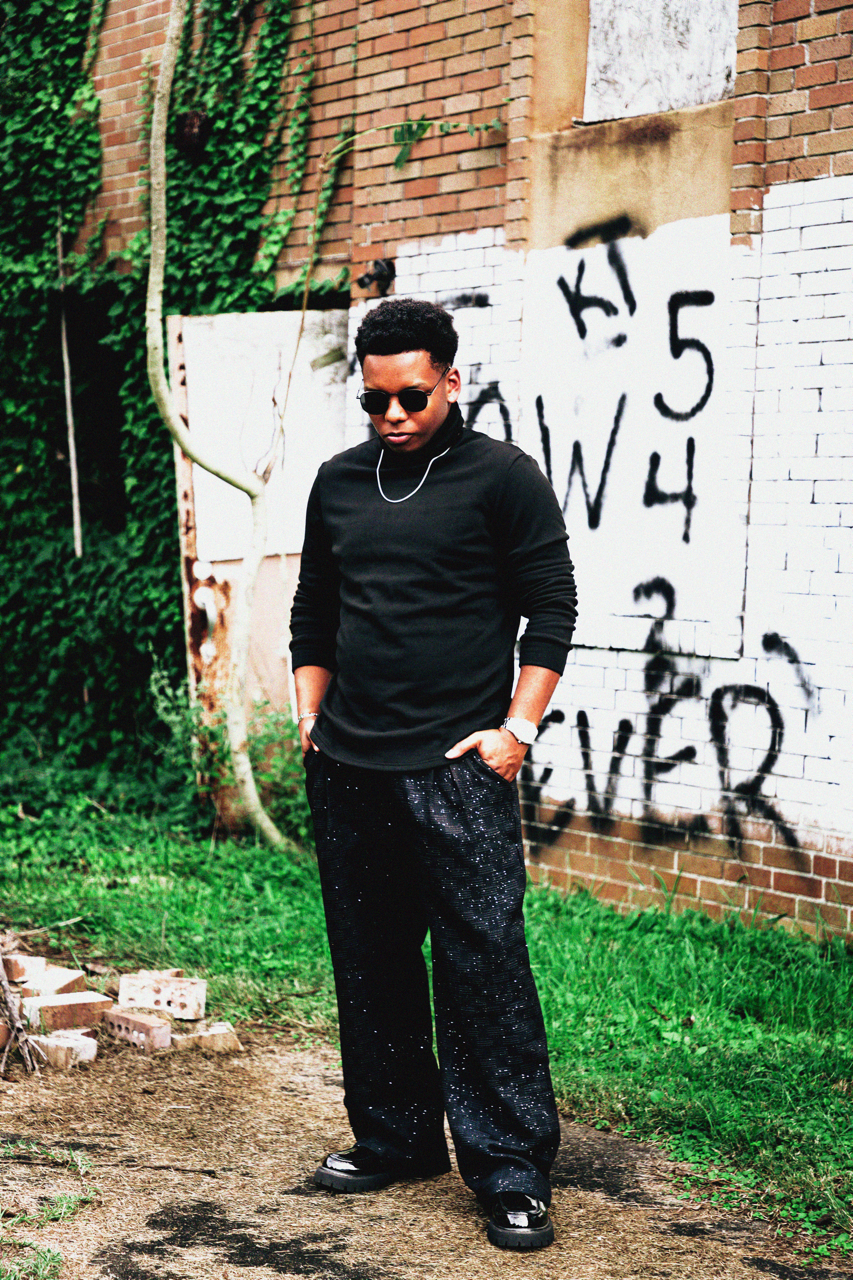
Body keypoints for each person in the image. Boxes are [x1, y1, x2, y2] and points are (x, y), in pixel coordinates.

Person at [289, 297, 577, 1251]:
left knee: (482, 968)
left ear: (450, 381)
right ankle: (395, 1138)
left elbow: (551, 608)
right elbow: (314, 608)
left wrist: (515, 732)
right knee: (370, 964)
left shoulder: (502, 477)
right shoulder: (338, 481)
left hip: (457, 769)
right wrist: (309, 717)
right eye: (374, 400)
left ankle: (510, 1170)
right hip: (350, 766)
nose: (392, 415)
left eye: (410, 396)